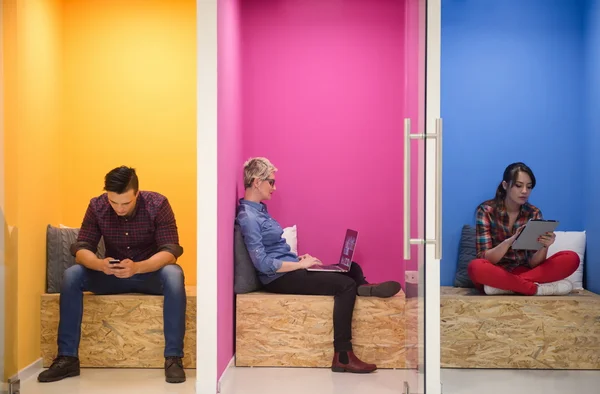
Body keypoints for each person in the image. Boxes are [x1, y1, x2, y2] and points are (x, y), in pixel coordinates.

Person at [236, 157, 402, 374]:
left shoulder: (259, 210)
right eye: (271, 182)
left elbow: (273, 250)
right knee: (344, 285)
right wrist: (298, 265)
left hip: (289, 270)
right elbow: (263, 263)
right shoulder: (248, 217)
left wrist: (298, 260)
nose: (275, 187)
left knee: (352, 268)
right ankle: (343, 356)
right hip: (278, 279)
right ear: (257, 182)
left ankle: (364, 288)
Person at [38, 166, 187, 384]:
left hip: (149, 273)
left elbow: (170, 251)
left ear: (137, 193)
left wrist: (137, 267)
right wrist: (99, 265)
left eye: (125, 203)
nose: (119, 208)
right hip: (111, 275)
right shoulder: (97, 205)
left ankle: (173, 358)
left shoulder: (158, 204)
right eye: (113, 202)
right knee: (72, 275)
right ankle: (67, 358)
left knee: (174, 275)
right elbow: (82, 248)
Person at [468, 162, 579, 296]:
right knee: (475, 267)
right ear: (505, 185)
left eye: (529, 187)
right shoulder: (486, 211)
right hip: (495, 272)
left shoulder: (533, 213)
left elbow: (533, 264)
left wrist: (545, 246)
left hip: (524, 271)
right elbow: (486, 258)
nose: (525, 191)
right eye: (518, 185)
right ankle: (535, 289)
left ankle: (507, 287)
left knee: (572, 258)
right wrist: (510, 241)